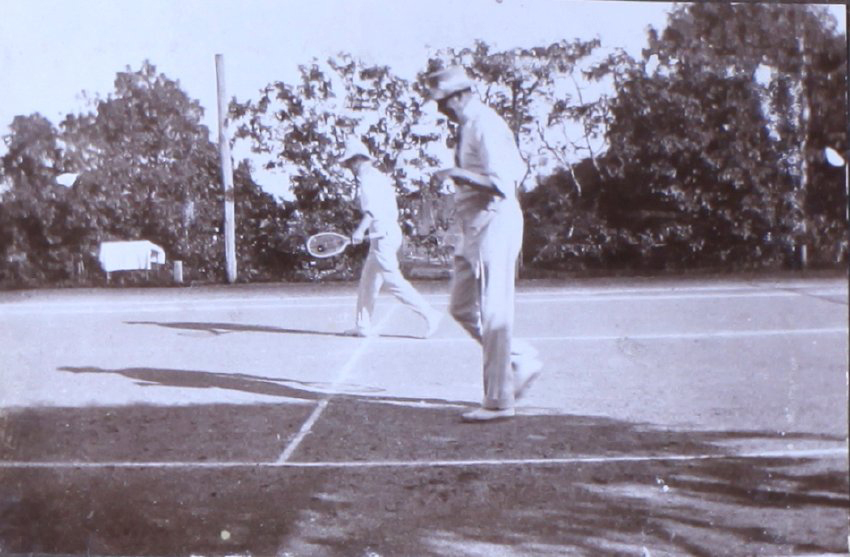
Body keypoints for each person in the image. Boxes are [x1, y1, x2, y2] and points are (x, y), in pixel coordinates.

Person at [424, 66, 542, 422]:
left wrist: (456, 174)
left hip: (496, 221)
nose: (440, 108)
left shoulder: (486, 124)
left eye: (443, 101)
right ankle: (520, 359)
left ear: (460, 95)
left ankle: (498, 401)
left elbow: (503, 183)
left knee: (494, 311)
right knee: (461, 307)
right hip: (473, 225)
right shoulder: (467, 126)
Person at [339, 137, 442, 339]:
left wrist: (359, 232)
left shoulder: (369, 179)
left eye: (350, 162)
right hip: (384, 235)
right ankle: (363, 326)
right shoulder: (376, 177)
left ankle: (430, 314)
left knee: (393, 280)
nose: (349, 167)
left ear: (358, 160)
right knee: (368, 280)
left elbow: (372, 211)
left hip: (383, 236)